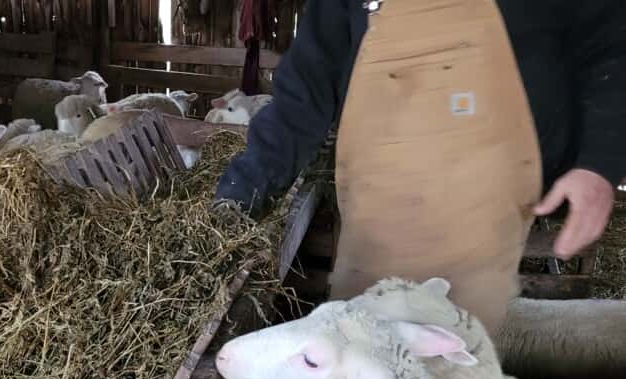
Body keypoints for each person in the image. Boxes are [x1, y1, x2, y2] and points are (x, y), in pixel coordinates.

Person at [215, 0, 626, 260]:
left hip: (520, 191)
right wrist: (242, 192)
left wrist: (598, 164)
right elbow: (307, 86)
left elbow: (611, 49)